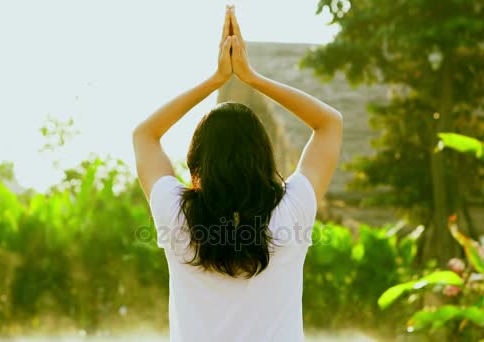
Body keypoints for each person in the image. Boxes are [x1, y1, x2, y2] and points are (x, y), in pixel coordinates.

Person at [132, 5, 342, 342]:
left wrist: (216, 78)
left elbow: (144, 135)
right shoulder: (293, 208)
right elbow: (329, 123)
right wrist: (251, 77)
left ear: (197, 161)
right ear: (263, 157)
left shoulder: (176, 214)